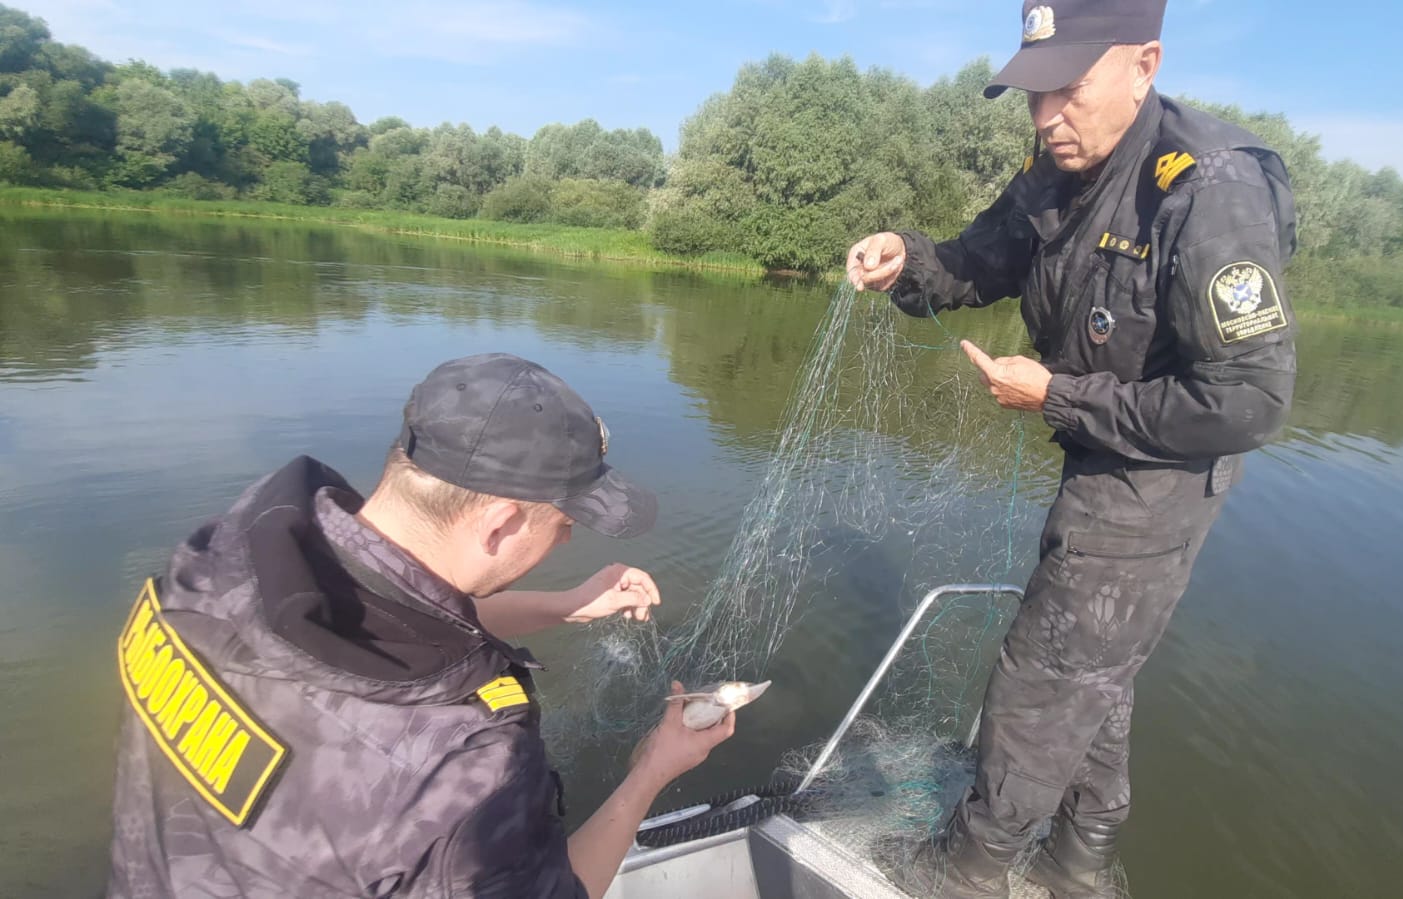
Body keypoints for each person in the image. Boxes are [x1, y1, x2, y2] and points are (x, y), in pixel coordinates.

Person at [847, 0, 1298, 896]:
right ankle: (1076, 859)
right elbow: (975, 261)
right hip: (1099, 441)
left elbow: (1247, 401)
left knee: (1046, 667)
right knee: (1096, 662)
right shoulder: (1055, 169)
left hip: (1161, 475)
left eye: (1069, 90)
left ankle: (969, 868)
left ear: (1144, 62)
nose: (1047, 116)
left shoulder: (1210, 186)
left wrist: (1057, 394)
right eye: (1031, 96)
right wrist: (907, 257)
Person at [106, 352, 735, 898]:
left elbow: (378, 628)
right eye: (564, 524)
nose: (567, 539)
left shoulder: (220, 566)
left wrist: (567, 603)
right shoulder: (468, 769)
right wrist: (653, 767)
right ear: (501, 524)